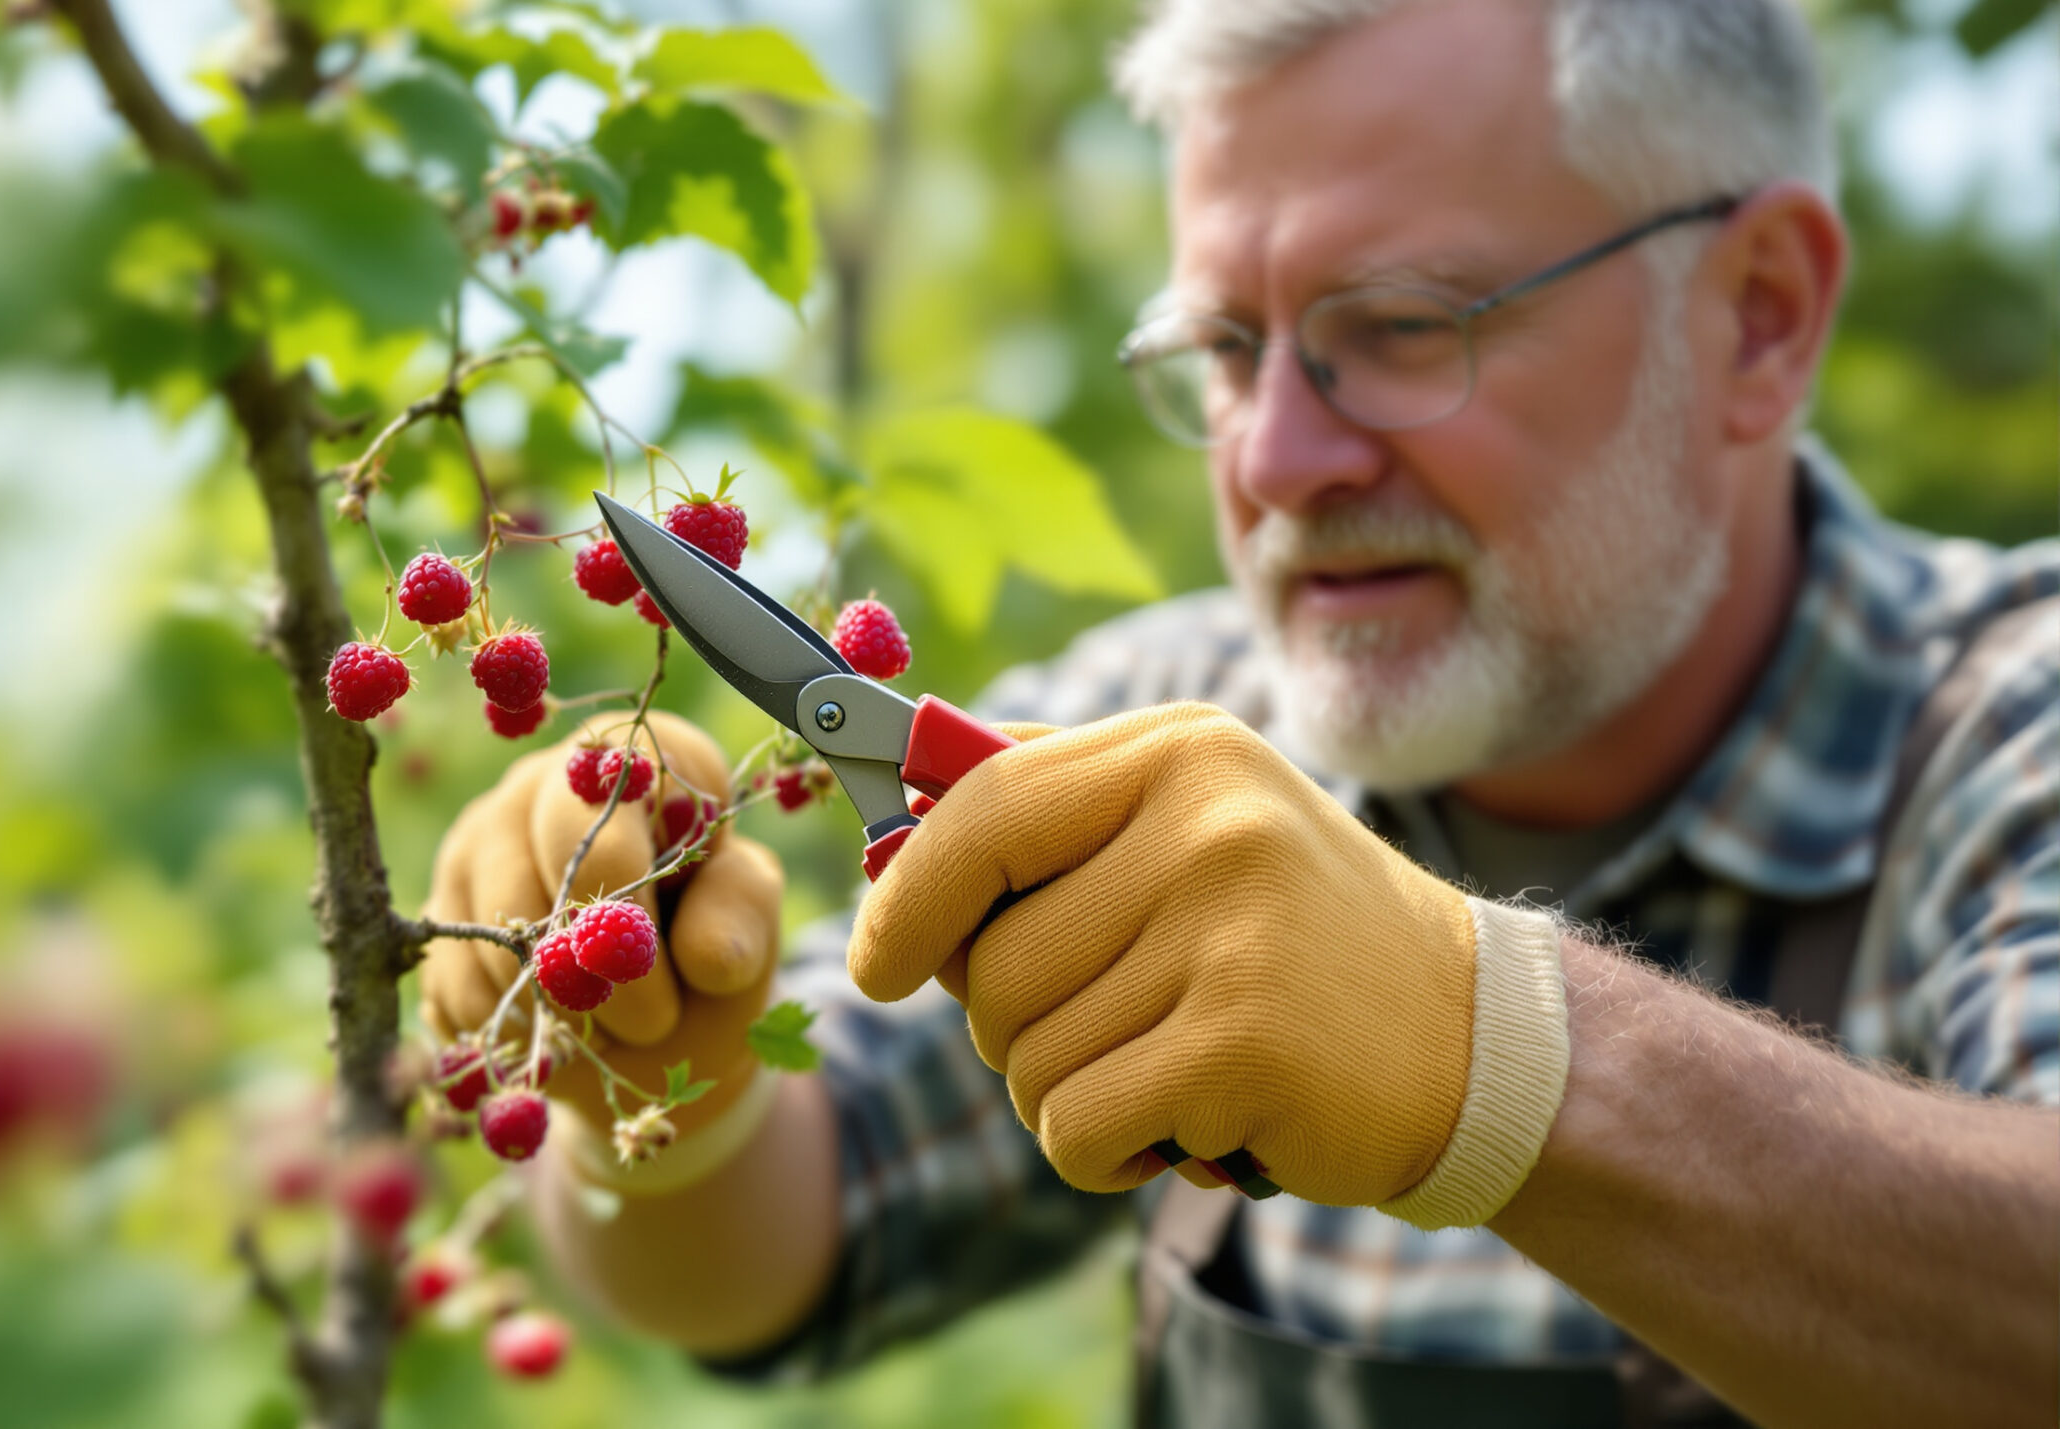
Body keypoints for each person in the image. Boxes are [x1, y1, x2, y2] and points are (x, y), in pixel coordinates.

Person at [418, 0, 2060, 1423]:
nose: (1275, 460)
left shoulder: (2012, 729)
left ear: (1758, 314)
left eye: (1406, 326)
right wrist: (673, 1106)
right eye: (1221, 349)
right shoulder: (1164, 720)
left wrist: (1492, 1053)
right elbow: (790, 1240)